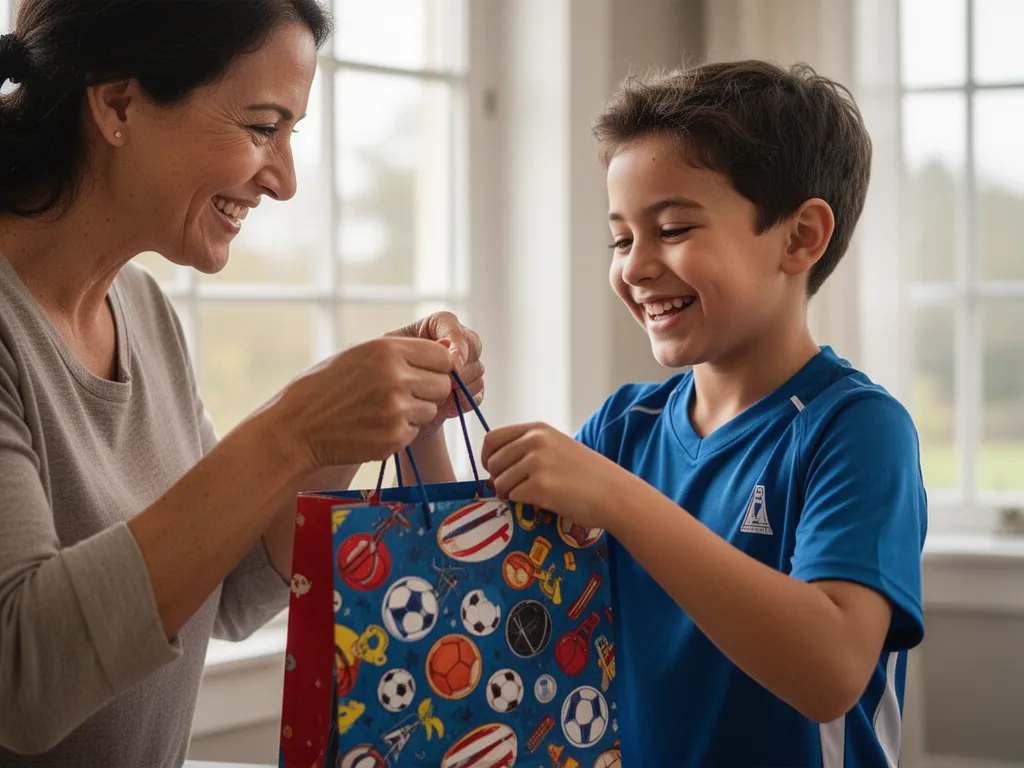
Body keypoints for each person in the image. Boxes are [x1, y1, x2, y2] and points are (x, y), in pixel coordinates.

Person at [0, 2, 484, 766]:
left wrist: (354, 414)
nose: (285, 180)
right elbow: (22, 676)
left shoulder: (144, 313)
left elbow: (223, 592)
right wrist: (295, 427)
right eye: (263, 127)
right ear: (118, 102)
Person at [482, 61, 927, 767]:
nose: (634, 267)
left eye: (674, 227)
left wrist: (620, 499)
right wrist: (422, 431)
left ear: (800, 237)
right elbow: (507, 608)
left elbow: (830, 672)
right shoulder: (622, 427)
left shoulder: (858, 429)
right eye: (622, 239)